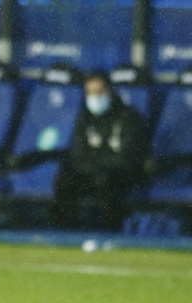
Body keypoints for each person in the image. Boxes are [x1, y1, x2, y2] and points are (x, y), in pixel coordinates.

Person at [54, 71, 148, 231]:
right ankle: (68, 234)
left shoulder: (129, 117)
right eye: (89, 93)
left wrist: (97, 163)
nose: (94, 98)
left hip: (122, 175)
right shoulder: (85, 117)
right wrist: (94, 165)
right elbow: (77, 153)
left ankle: (110, 233)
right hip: (91, 171)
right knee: (64, 181)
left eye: (98, 92)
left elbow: (127, 157)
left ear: (110, 91)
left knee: (105, 181)